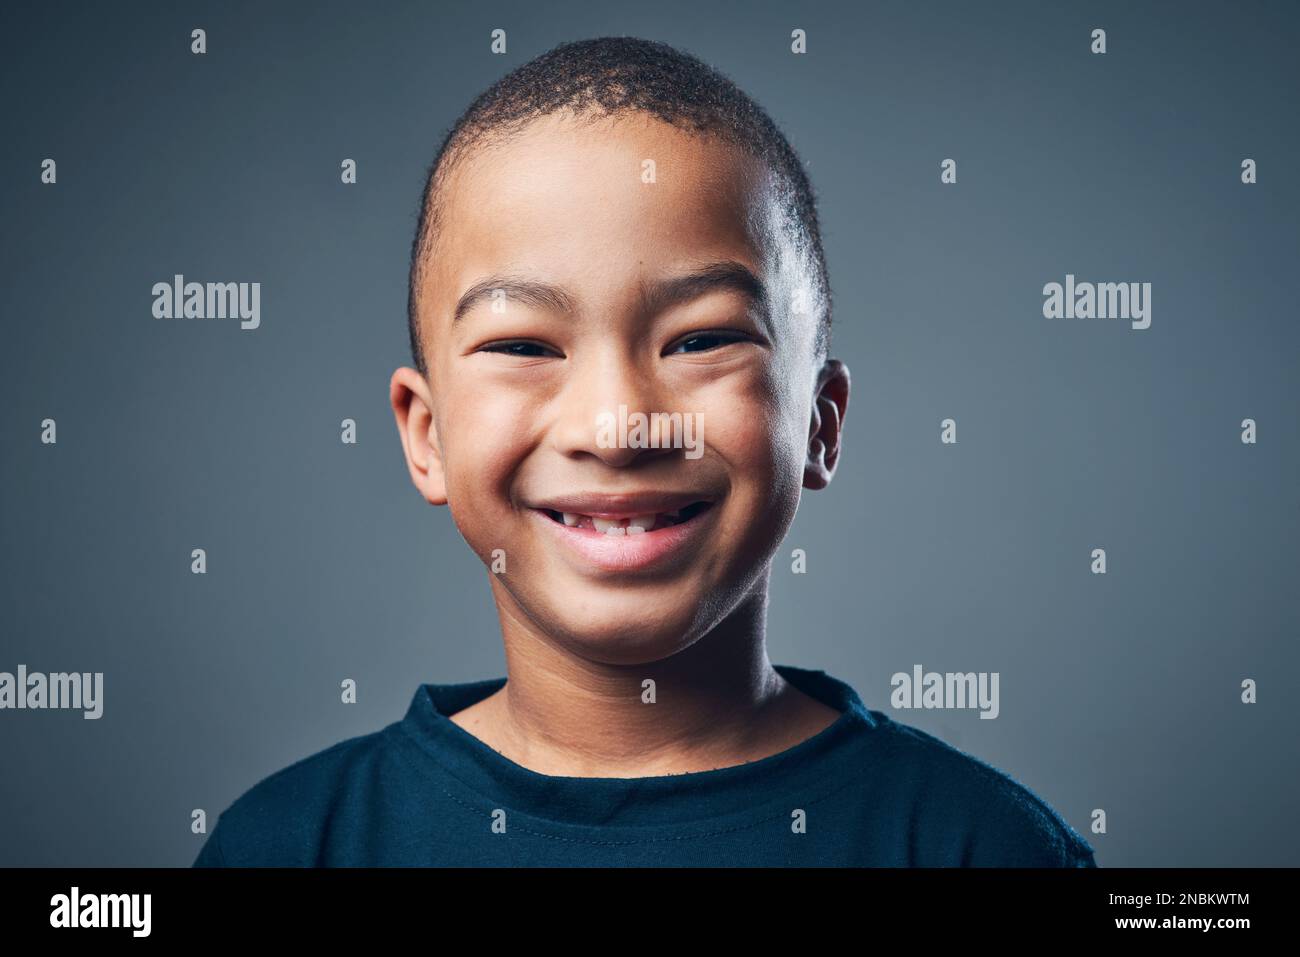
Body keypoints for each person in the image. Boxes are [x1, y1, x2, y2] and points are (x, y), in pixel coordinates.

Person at [194, 36, 1096, 867]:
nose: (619, 426)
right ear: (426, 435)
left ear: (820, 421)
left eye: (700, 340)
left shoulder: (979, 847)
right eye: (524, 347)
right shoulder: (290, 845)